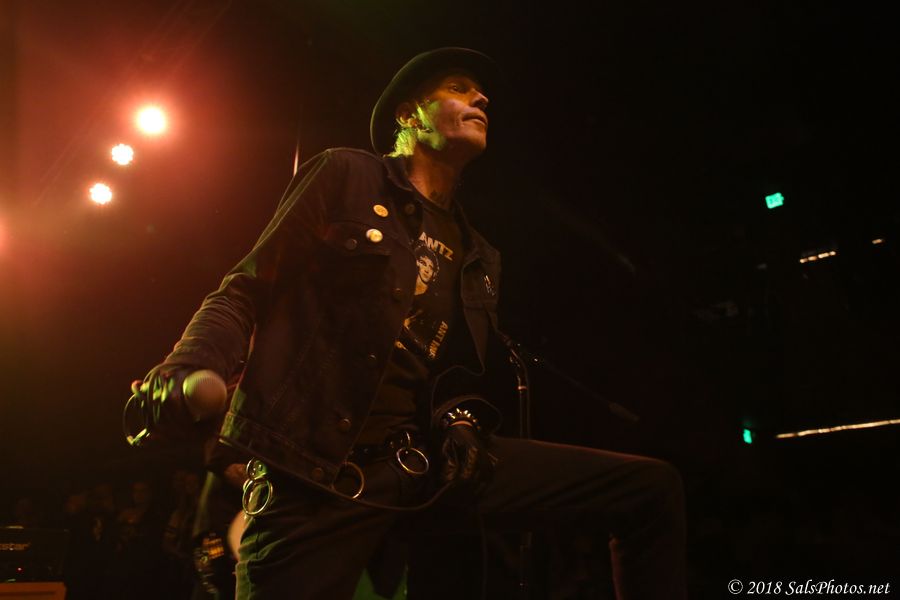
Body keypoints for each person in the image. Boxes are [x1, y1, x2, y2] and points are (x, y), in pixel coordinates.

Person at [131, 47, 686, 599]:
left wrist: (460, 417)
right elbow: (245, 291)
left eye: (481, 93)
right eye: (458, 88)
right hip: (320, 474)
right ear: (409, 114)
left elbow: (453, 374)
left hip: (424, 467)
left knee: (648, 489)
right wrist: (187, 366)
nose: (481, 98)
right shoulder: (345, 174)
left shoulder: (480, 256)